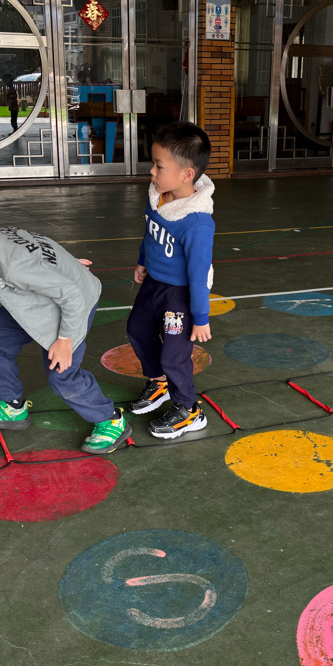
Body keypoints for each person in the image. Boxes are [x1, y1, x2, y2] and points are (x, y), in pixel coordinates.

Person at [0, 171, 131, 454]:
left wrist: (65, 340)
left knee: (62, 376)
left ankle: (110, 420)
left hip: (75, 304)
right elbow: (40, 246)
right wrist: (65, 265)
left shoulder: (12, 266)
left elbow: (71, 296)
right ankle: (12, 406)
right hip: (37, 299)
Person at [126, 121, 215, 438]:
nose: (152, 171)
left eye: (159, 166)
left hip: (180, 295)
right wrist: (143, 261)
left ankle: (189, 410)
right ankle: (159, 381)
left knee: (174, 355)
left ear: (187, 174)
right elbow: (150, 234)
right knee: (137, 328)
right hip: (154, 282)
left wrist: (200, 317)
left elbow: (199, 274)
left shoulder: (197, 223)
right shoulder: (158, 198)